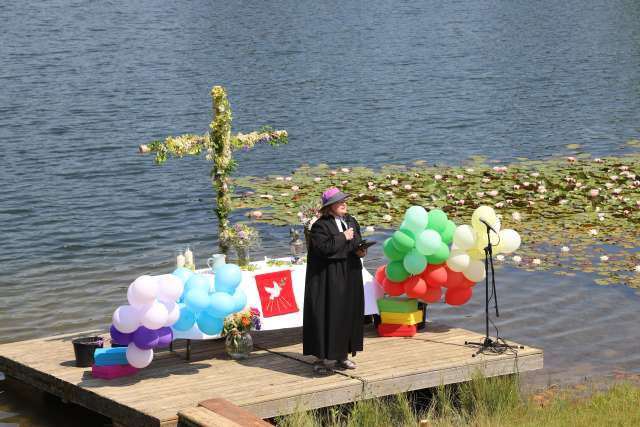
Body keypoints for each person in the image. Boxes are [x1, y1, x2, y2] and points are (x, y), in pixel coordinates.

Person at [303, 187, 367, 374]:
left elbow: (356, 243)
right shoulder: (320, 226)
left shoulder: (351, 221)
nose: (344, 204)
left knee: (348, 313)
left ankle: (342, 356)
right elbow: (323, 249)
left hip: (350, 274)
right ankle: (321, 359)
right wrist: (343, 237)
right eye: (339, 202)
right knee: (328, 314)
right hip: (329, 278)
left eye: (344, 200)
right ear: (330, 207)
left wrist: (361, 250)